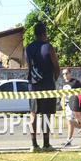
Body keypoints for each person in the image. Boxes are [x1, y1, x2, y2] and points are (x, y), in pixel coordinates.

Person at [25, 21, 60, 152]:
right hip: (47, 85)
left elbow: (29, 66)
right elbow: (56, 67)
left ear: (34, 34)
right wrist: (53, 80)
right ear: (44, 33)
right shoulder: (48, 47)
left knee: (33, 115)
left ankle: (33, 145)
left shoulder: (28, 48)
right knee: (46, 115)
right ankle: (46, 144)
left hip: (33, 86)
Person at [60, 67, 81, 148]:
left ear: (70, 73)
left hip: (73, 104)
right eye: (63, 74)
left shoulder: (75, 83)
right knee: (70, 122)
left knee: (70, 121)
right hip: (66, 105)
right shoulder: (63, 83)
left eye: (66, 73)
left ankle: (69, 140)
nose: (65, 75)